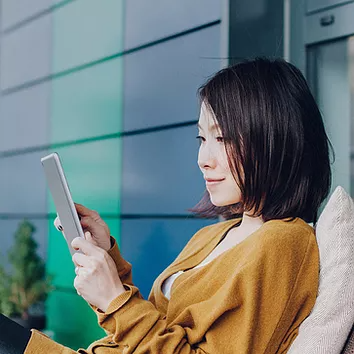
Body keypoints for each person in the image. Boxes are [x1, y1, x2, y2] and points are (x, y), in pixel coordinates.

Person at [0, 57, 332, 353]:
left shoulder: (284, 243)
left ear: (275, 139)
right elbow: (155, 328)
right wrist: (110, 264)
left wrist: (115, 300)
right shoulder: (213, 236)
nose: (203, 159)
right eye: (202, 138)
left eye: (223, 138)